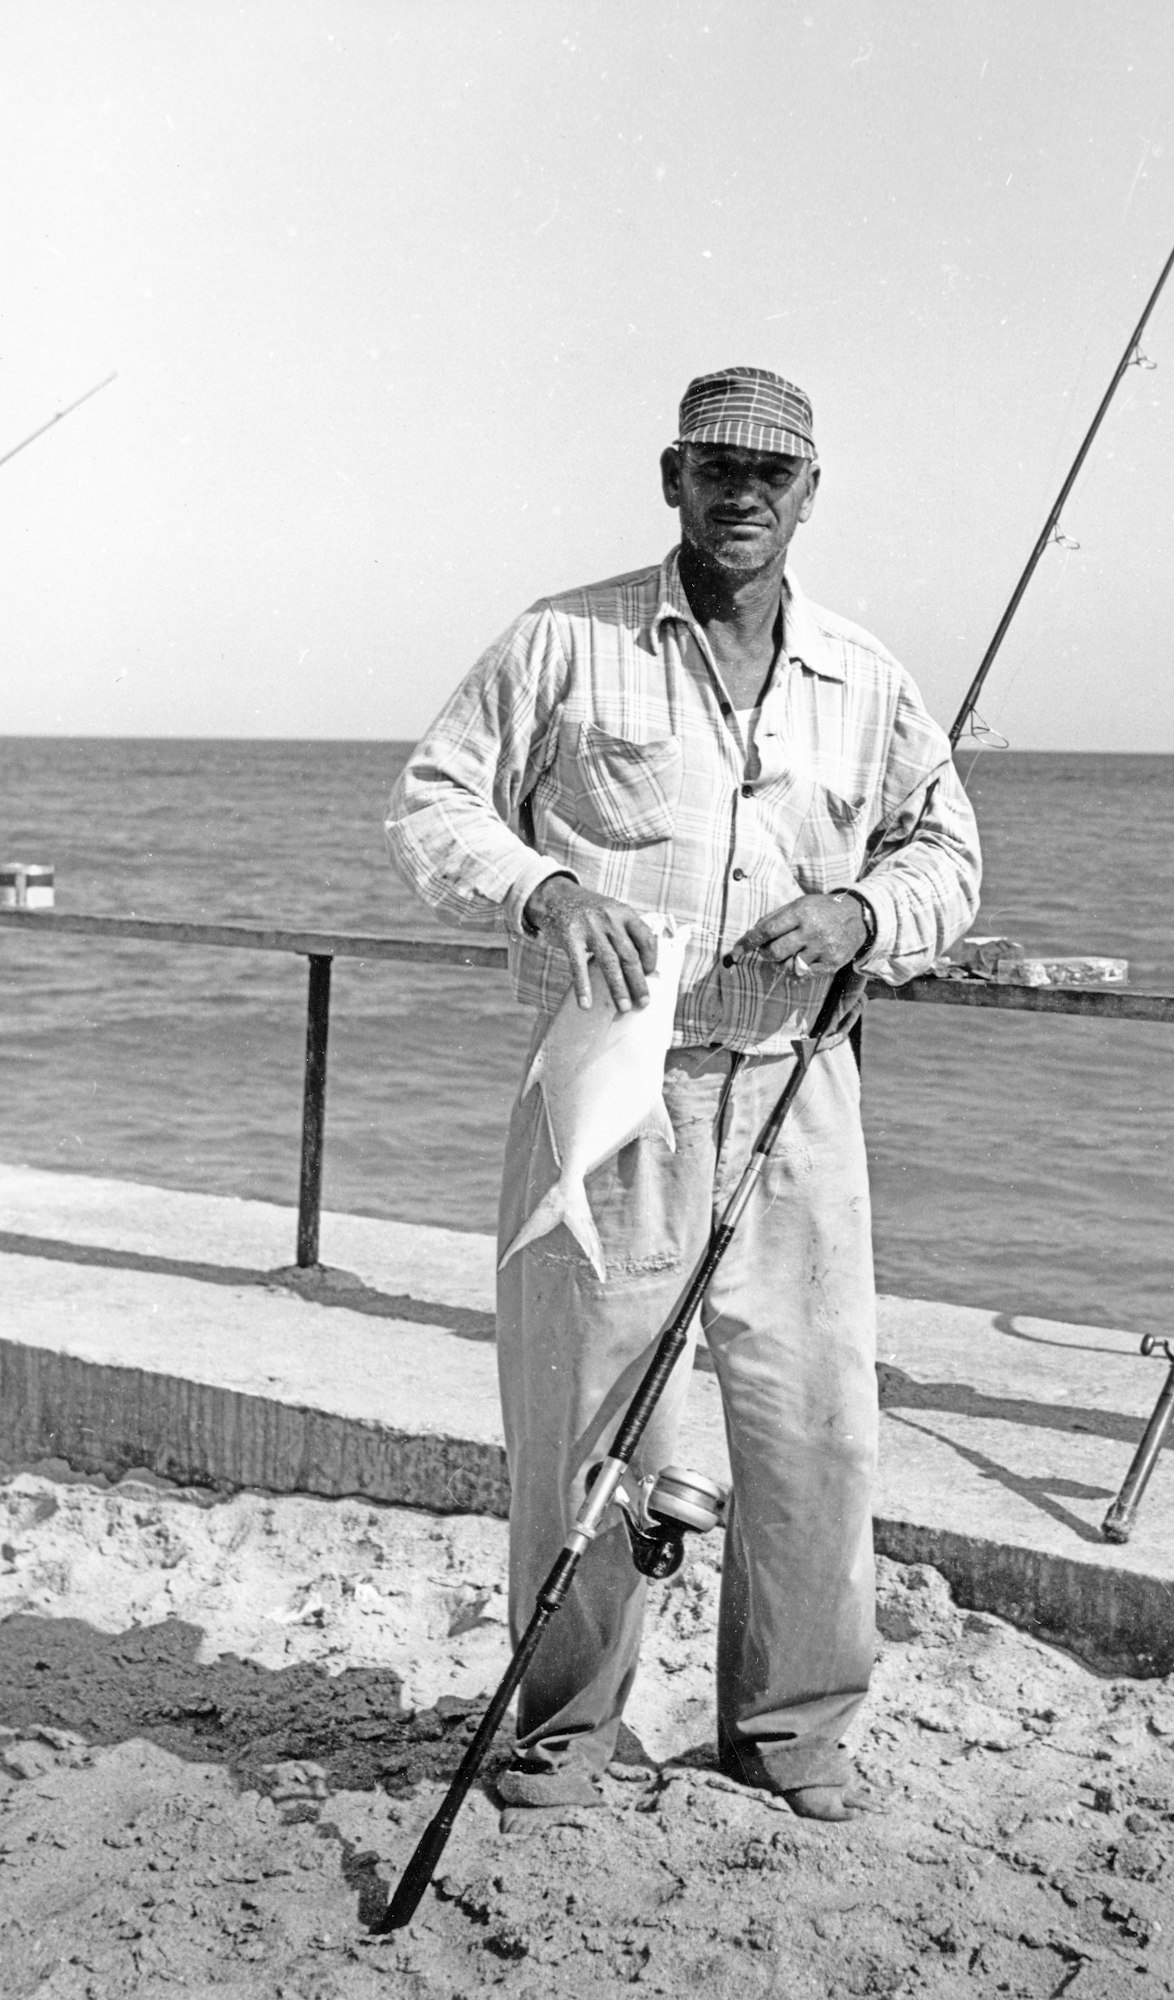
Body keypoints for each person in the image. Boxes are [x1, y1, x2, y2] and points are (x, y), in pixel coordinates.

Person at [386, 365, 981, 1824]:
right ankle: (567, 1728)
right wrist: (544, 890)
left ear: (810, 497)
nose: (742, 494)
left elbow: (946, 858)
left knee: (817, 1426)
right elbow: (433, 799)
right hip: (609, 1087)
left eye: (771, 474)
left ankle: (789, 1728)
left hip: (796, 1093)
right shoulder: (562, 641)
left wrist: (861, 920)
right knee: (581, 1424)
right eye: (717, 466)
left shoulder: (867, 675)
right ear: (671, 475)